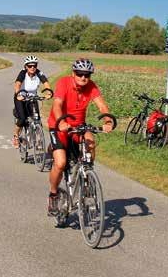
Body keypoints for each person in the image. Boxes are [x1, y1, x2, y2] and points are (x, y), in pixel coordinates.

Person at [46, 58, 114, 216]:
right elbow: (57, 105)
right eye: (80, 74)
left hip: (79, 126)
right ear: (73, 73)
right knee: (61, 163)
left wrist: (108, 120)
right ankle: (53, 194)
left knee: (90, 142)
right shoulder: (64, 83)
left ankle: (87, 176)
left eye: (87, 75)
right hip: (59, 125)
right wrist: (61, 121)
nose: (83, 77)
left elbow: (102, 106)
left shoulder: (91, 86)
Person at [13, 55, 52, 148]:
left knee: (37, 119)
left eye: (34, 65)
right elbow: (17, 84)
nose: (32, 67)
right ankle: (16, 136)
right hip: (21, 97)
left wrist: (49, 92)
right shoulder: (23, 73)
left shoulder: (39, 73)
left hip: (33, 98)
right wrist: (18, 94)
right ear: (26, 66)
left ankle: (39, 140)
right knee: (22, 119)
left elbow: (46, 83)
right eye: (30, 66)